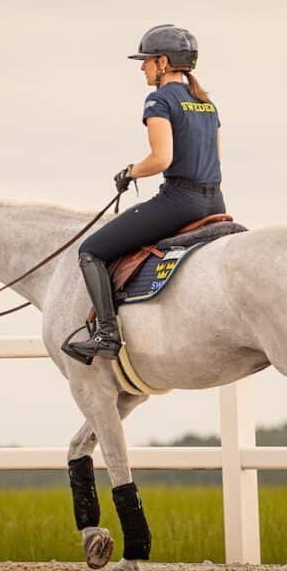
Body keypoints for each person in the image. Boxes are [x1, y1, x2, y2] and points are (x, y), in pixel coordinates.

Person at [65, 24, 226, 361]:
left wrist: (129, 172)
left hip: (181, 202)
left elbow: (162, 158)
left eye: (147, 60)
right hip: (215, 201)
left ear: (164, 62)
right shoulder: (206, 103)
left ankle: (107, 333)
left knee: (91, 250)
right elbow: (216, 158)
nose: (142, 67)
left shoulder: (159, 99)